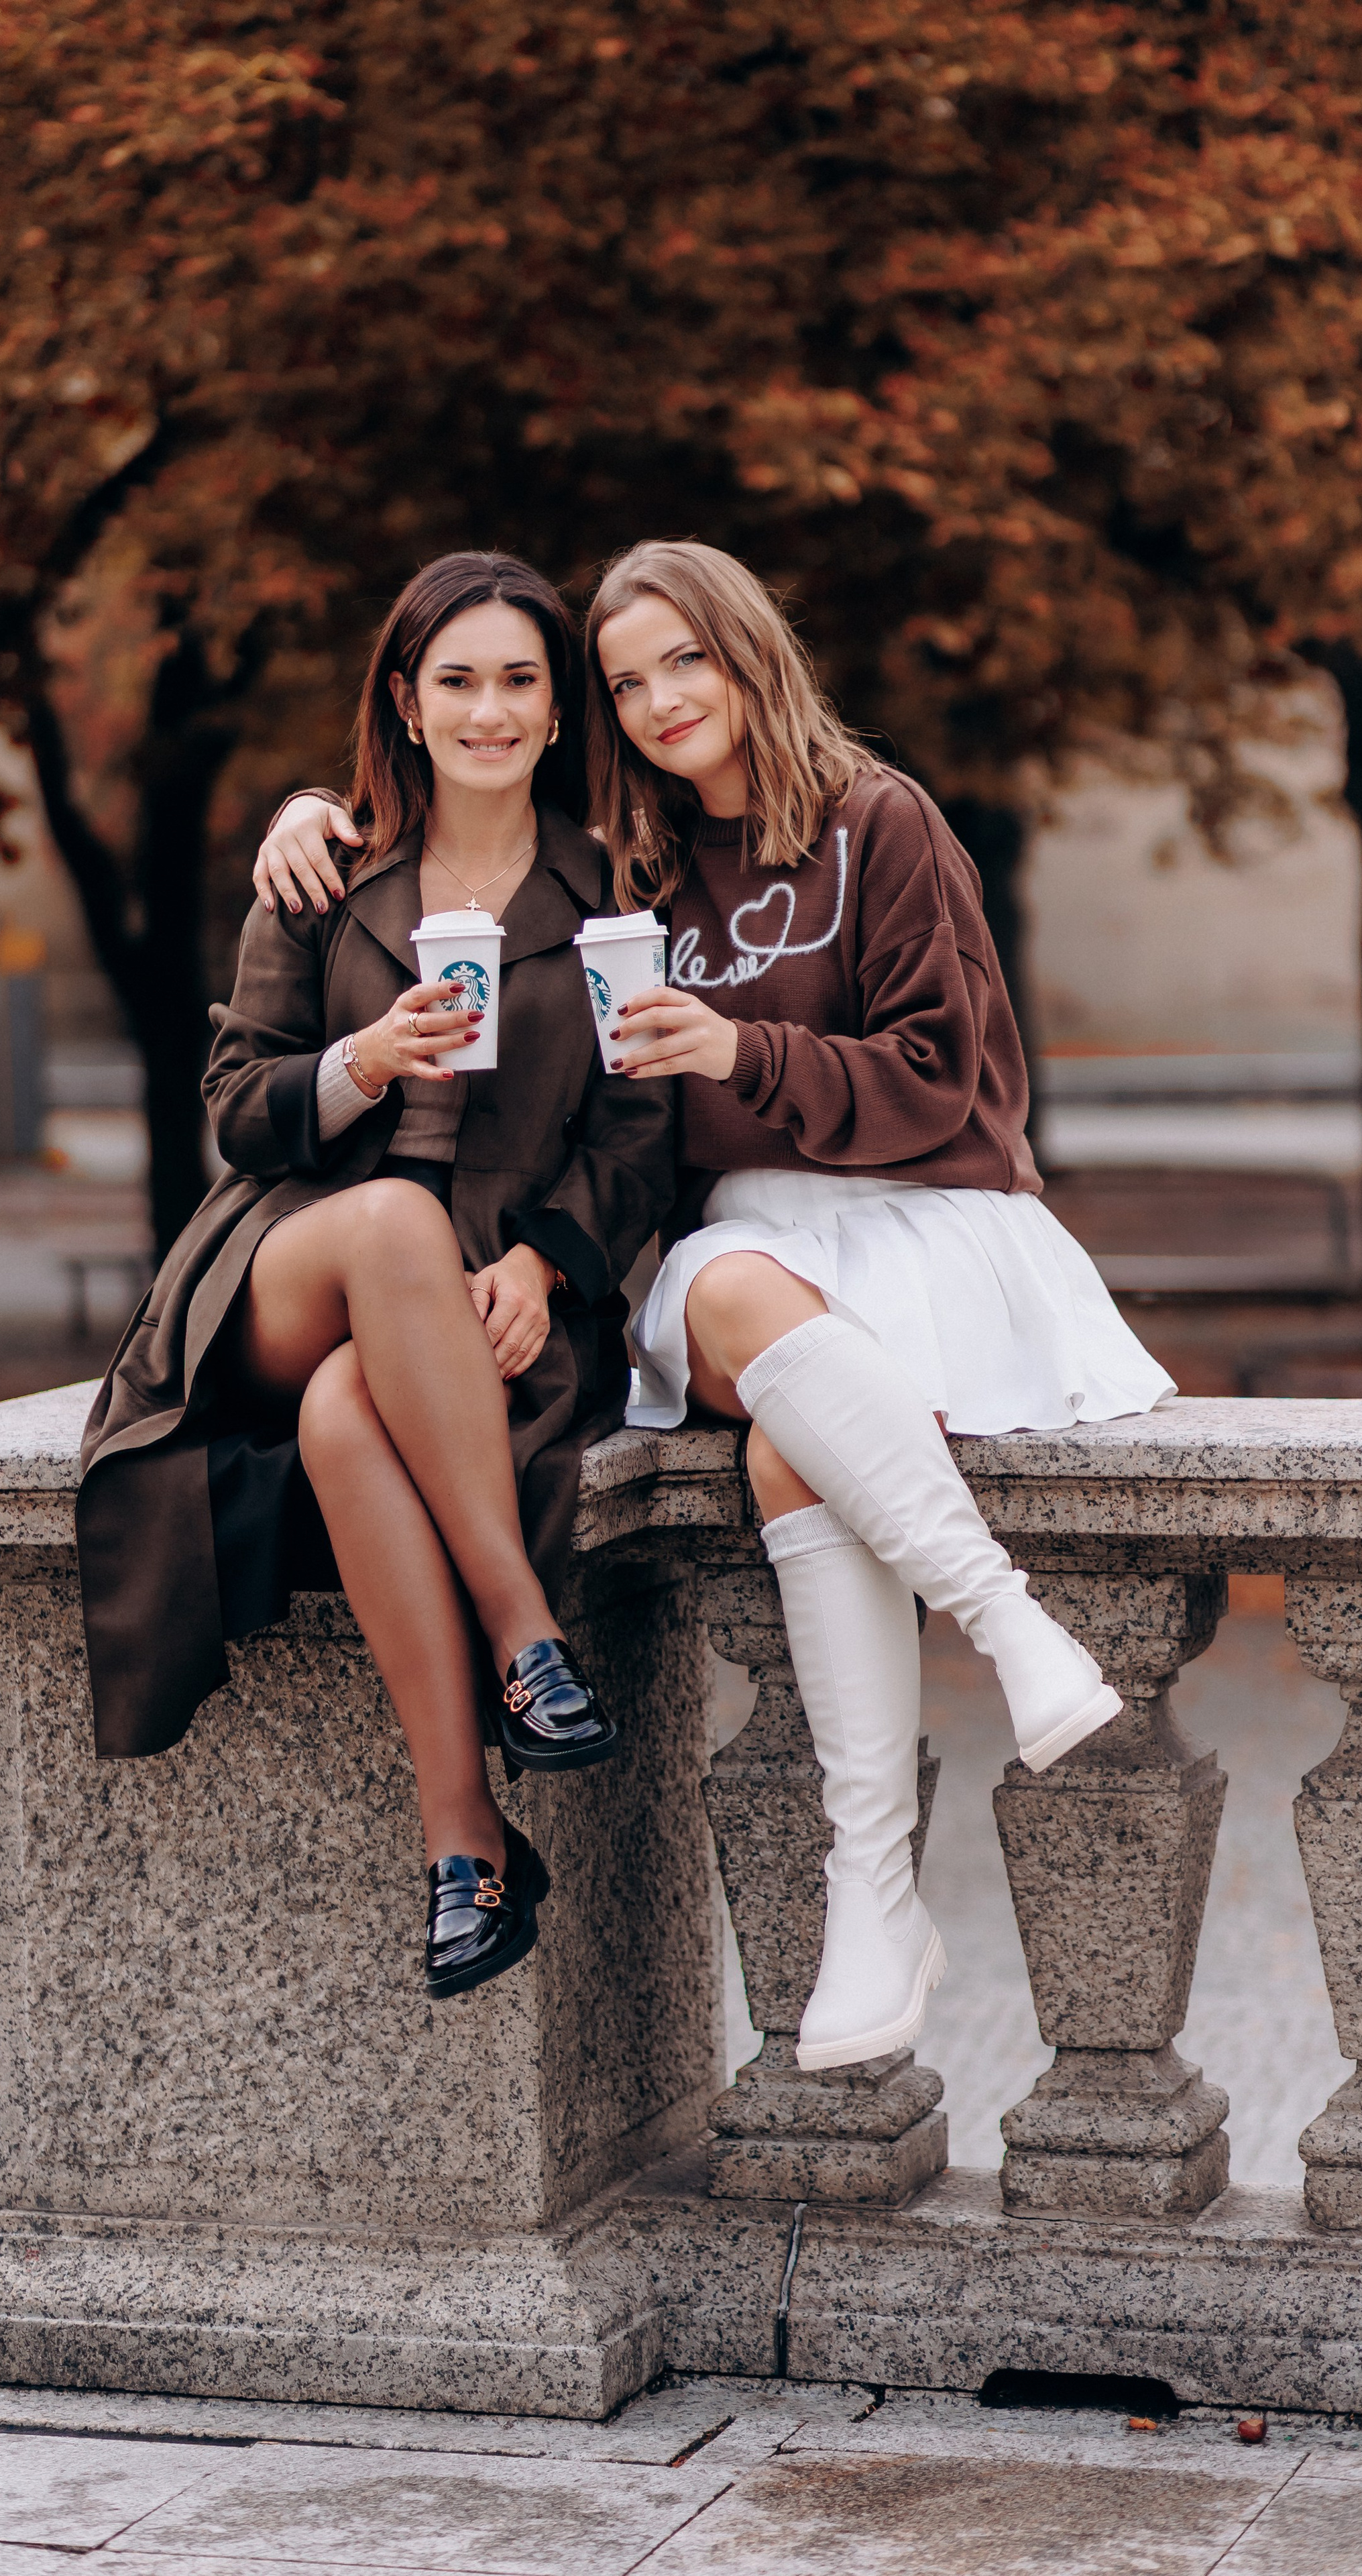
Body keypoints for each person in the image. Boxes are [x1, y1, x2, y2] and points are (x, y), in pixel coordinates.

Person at [256, 537, 1174, 2078]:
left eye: (683, 658)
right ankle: (1005, 1635)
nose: (662, 698)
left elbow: (960, 1084)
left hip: (926, 1215)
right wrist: (311, 812)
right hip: (749, 1247)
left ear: (748, 651)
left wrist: (742, 1058)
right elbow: (473, 854)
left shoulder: (878, 824)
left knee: (782, 1454)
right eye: (627, 681)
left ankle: (876, 1887)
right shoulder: (641, 871)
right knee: (737, 1293)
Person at [79, 552, 674, 2004]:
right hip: (292, 1255)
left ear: (556, 710)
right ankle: (525, 1637)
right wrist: (361, 1063)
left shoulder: (609, 888)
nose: (488, 710)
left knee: (355, 1416)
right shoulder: (322, 871)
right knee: (392, 1234)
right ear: (405, 704)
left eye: (519, 682)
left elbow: (641, 1124)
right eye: (456, 681)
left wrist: (549, 1262)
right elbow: (231, 1103)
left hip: (486, 1297)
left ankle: (464, 1845)